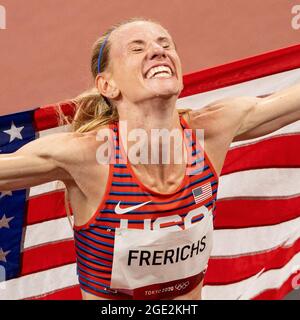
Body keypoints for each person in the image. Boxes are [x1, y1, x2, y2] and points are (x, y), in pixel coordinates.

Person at [0, 17, 299, 300]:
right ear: (107, 85)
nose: (158, 51)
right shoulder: (85, 156)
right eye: (137, 48)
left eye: (165, 45)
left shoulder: (211, 131)